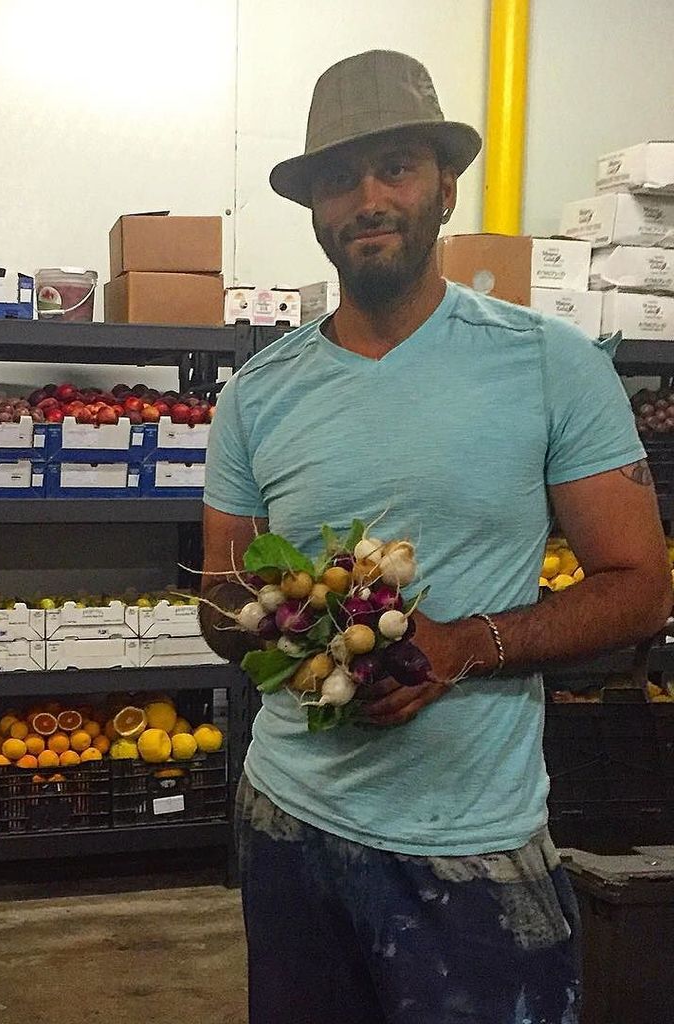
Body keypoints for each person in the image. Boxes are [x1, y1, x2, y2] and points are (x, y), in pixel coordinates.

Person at [200, 50, 671, 1024]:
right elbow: (219, 590)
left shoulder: (550, 366)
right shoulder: (256, 394)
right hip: (286, 823)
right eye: (339, 177)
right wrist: (280, 617)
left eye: (396, 167)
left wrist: (459, 646)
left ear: (444, 187)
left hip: (471, 843)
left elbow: (639, 585)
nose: (368, 198)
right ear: (315, 207)